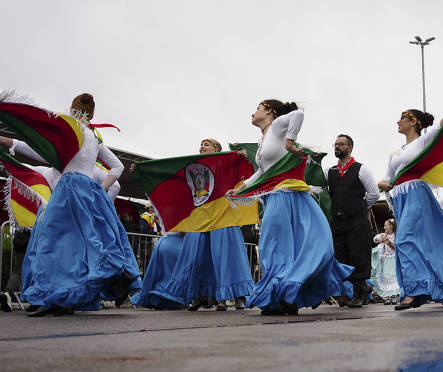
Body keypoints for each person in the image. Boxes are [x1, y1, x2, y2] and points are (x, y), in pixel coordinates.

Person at [226, 99, 353, 315]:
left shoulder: (276, 127)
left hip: (289, 195)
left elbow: (298, 115)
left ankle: (287, 295)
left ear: (269, 112)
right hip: (276, 197)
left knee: (292, 244)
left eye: (258, 108)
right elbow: (262, 171)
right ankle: (283, 296)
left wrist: (289, 142)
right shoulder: (263, 140)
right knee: (276, 247)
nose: (253, 112)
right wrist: (241, 188)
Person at [18, 93, 141, 316]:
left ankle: (60, 297)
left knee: (54, 244)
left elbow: (40, 152)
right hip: (86, 190)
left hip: (67, 189)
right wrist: (99, 191)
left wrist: (11, 143)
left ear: (72, 109)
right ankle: (66, 297)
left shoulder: (71, 132)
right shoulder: (95, 136)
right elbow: (117, 168)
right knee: (79, 245)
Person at [376, 103, 443, 312]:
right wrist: (383, 183)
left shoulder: (422, 141)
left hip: (416, 193)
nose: (398, 121)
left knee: (404, 240)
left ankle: (415, 291)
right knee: (427, 245)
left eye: (402, 118)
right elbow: (386, 179)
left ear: (413, 121)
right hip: (400, 197)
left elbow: (442, 128)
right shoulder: (395, 153)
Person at [158, 139, 255, 311]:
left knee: (227, 258)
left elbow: (244, 171)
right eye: (201, 144)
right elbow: (174, 179)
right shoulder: (193, 167)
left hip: (223, 217)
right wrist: (143, 172)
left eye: (207, 144)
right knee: (198, 259)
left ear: (217, 149)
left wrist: (242, 155)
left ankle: (237, 295)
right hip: (201, 219)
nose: (202, 146)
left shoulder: (225, 163)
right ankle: (200, 295)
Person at [325, 134, 379, 308]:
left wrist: (360, 209)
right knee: (340, 257)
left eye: (341, 144)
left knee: (358, 255)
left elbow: (373, 194)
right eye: (336, 144)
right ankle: (348, 292)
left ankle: (359, 291)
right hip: (338, 222)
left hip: (357, 221)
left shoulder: (362, 169)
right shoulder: (330, 171)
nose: (337, 147)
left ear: (350, 147)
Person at [0, 136, 121, 201]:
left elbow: (116, 184)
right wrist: (99, 199)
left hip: (61, 212)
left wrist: (97, 198)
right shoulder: (90, 168)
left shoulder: (66, 159)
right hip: (61, 210)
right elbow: (36, 153)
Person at [371, 219, 400, 304]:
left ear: (391, 226)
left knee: (393, 277)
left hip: (394, 259)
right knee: (385, 277)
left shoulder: (396, 235)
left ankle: (395, 295)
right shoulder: (383, 235)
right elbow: (375, 239)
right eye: (384, 225)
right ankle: (388, 296)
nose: (384, 227)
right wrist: (379, 239)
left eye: (385, 225)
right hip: (386, 260)